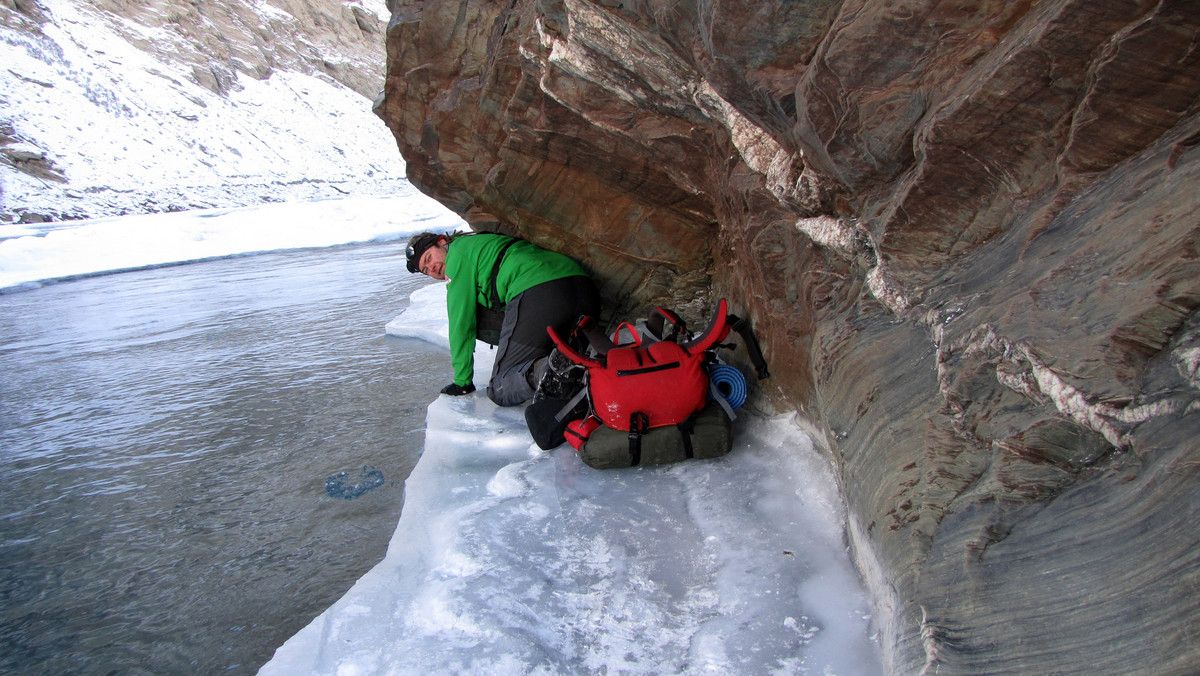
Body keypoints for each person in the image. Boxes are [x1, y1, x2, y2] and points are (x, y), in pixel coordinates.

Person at [406, 230, 600, 406]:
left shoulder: (456, 257)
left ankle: (548, 370)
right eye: (425, 270)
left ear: (442, 242)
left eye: (429, 258)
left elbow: (461, 324)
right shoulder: (477, 244)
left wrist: (462, 383)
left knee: (500, 387)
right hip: (585, 289)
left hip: (541, 292)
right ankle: (568, 363)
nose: (432, 268)